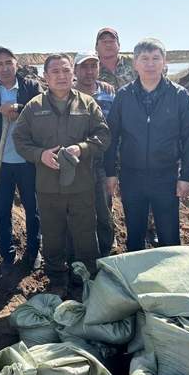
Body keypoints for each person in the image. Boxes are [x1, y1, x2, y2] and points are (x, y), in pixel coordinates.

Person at [13, 53, 109, 297]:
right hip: (48, 187)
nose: (61, 76)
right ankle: (57, 278)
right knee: (53, 235)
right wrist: (40, 155)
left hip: (81, 185)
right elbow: (20, 140)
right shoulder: (34, 108)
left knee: (85, 234)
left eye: (66, 70)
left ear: (72, 73)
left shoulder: (87, 104)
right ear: (45, 77)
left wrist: (82, 148)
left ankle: (84, 279)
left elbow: (103, 136)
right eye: (55, 71)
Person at [104, 38, 189, 251]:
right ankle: (136, 282)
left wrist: (186, 176)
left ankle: (170, 280)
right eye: (144, 59)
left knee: (169, 236)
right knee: (135, 235)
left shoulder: (178, 95)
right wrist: (110, 172)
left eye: (156, 58)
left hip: (165, 176)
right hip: (132, 176)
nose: (150, 64)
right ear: (135, 64)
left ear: (164, 62)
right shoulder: (124, 95)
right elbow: (111, 136)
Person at [0, 47, 42, 271]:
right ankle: (7, 256)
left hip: (27, 161)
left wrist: (19, 108)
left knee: (33, 209)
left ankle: (34, 251)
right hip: (0, 162)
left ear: (16, 64)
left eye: (8, 63)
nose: (4, 68)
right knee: (1, 211)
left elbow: (41, 114)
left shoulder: (30, 87)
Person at [73, 50, 116, 256]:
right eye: (84, 67)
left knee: (104, 211)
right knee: (77, 211)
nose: (89, 71)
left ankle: (105, 252)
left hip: (103, 162)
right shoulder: (67, 94)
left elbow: (116, 129)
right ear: (75, 70)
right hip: (76, 162)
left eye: (93, 66)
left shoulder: (109, 94)